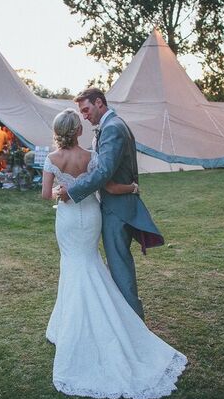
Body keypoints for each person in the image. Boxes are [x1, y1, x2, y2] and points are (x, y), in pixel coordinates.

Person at [42, 109, 186, 399]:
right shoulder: (91, 157)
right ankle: (81, 319)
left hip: (68, 219)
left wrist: (61, 190)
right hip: (92, 216)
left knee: (72, 265)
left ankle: (72, 326)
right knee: (90, 262)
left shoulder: (52, 159)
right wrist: (132, 187)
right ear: (78, 131)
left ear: (58, 131)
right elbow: (106, 185)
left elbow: (46, 195)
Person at [57, 87, 164, 320]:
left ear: (99, 103)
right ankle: (125, 320)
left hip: (117, 209)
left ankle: (134, 325)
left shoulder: (113, 128)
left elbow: (104, 171)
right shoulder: (111, 126)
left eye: (86, 110)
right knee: (116, 265)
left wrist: (73, 190)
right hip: (116, 204)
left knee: (119, 266)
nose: (84, 115)